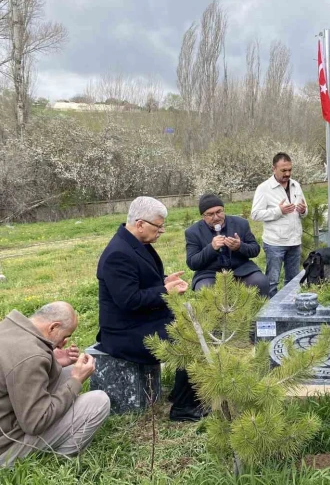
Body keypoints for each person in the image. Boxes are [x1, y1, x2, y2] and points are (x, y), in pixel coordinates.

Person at [96, 196, 203, 422]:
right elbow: (129, 300)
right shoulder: (118, 254)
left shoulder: (133, 244)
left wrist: (163, 280)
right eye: (159, 225)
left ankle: (180, 393)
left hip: (140, 321)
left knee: (195, 325)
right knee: (189, 340)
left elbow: (140, 282)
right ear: (140, 223)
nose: (162, 230)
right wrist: (165, 290)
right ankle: (183, 408)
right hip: (125, 332)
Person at [0, 302, 110, 467]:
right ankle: (58, 459)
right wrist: (76, 381)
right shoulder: (31, 356)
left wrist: (54, 361)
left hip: (6, 417)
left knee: (67, 371)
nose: (63, 342)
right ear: (53, 327)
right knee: (98, 401)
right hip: (6, 447)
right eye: (65, 336)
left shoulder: (10, 328)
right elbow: (35, 423)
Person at [185, 193, 269, 296]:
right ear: (203, 216)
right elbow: (192, 263)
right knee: (206, 291)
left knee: (260, 282)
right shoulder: (193, 232)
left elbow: (255, 250)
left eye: (219, 212)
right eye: (210, 214)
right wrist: (211, 248)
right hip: (210, 273)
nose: (216, 217)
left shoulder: (241, 223)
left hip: (241, 269)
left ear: (223, 209)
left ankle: (260, 312)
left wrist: (240, 246)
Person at [251, 153, 308, 297]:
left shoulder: (296, 185)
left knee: (293, 281)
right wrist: (278, 211)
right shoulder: (264, 188)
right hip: (275, 242)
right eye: (283, 170)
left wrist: (303, 210)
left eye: (290, 170)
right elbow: (255, 214)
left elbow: (304, 210)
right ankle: (269, 311)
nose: (287, 173)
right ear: (273, 169)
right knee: (272, 281)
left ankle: (289, 309)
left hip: (295, 241)